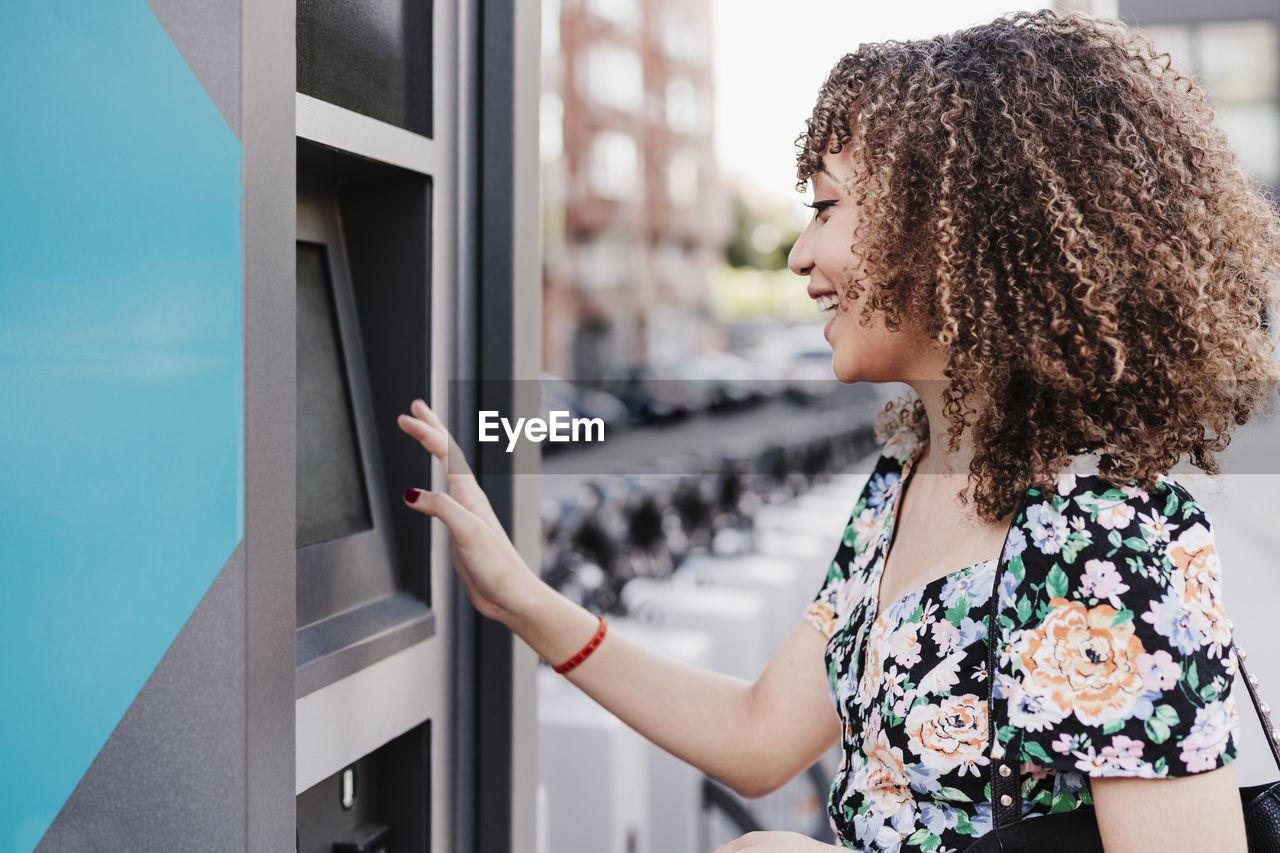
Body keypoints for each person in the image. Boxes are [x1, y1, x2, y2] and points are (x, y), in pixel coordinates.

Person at [396, 10, 1280, 852]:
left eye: (826, 208)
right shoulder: (906, 482)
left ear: (949, 235)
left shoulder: (1100, 542)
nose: (798, 255)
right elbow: (759, 733)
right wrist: (517, 594)